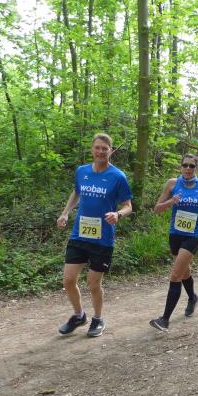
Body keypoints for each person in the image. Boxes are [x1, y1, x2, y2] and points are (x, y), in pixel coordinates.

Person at [56, 133, 133, 337]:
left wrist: (118, 214)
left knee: (92, 283)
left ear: (111, 151)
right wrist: (65, 213)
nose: (100, 151)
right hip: (79, 234)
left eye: (104, 149)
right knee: (68, 280)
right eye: (97, 148)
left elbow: (128, 206)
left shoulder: (118, 176)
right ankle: (79, 315)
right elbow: (77, 193)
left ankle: (98, 319)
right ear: (92, 149)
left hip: (102, 238)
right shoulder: (82, 171)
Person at [148, 154, 198, 332]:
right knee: (184, 272)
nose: (188, 168)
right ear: (180, 167)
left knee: (175, 275)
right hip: (175, 234)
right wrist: (170, 201)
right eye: (185, 165)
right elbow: (156, 209)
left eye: (192, 166)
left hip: (193, 235)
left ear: (197, 168)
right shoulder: (172, 183)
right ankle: (193, 298)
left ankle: (164, 320)